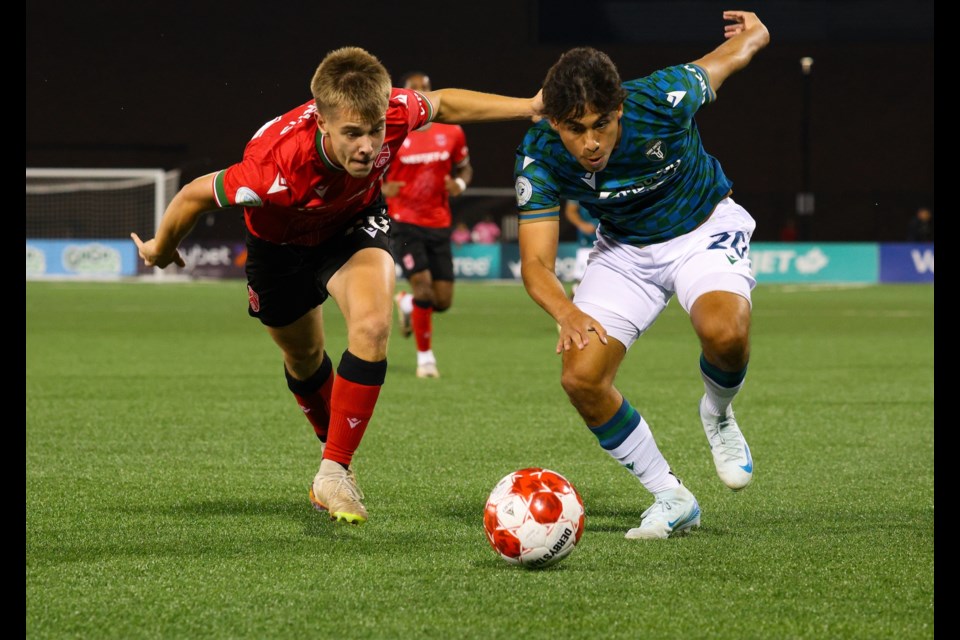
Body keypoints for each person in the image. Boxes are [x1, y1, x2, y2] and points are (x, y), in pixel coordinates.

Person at [131, 47, 541, 525]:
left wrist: (529, 106)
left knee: (371, 327)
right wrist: (161, 247)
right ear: (323, 124)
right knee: (304, 359)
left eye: (374, 132)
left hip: (352, 225)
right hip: (279, 250)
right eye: (352, 134)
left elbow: (445, 103)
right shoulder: (273, 168)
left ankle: (333, 472)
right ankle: (334, 455)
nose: (368, 146)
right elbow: (191, 196)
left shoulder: (393, 111)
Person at [514, 10, 769, 540]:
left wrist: (757, 32)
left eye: (601, 124)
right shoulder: (538, 155)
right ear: (552, 121)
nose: (590, 143)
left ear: (620, 108)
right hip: (625, 252)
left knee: (725, 333)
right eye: (574, 129)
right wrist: (567, 311)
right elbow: (536, 262)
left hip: (701, 227)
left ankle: (718, 413)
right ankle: (672, 496)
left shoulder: (664, 98)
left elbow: (727, 59)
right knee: (581, 378)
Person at [383, 71, 472, 379]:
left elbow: (465, 167)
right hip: (404, 222)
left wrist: (459, 183)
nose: (419, 92)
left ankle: (407, 304)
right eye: (413, 88)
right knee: (423, 287)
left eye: (424, 88)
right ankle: (425, 359)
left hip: (438, 222)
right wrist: (381, 188)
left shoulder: (452, 132)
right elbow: (363, 167)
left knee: (442, 301)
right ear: (402, 94)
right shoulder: (391, 131)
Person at [563, 199, 599, 295]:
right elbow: (570, 210)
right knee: (582, 280)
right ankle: (571, 305)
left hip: (614, 240)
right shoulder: (580, 185)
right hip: (588, 243)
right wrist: (582, 225)